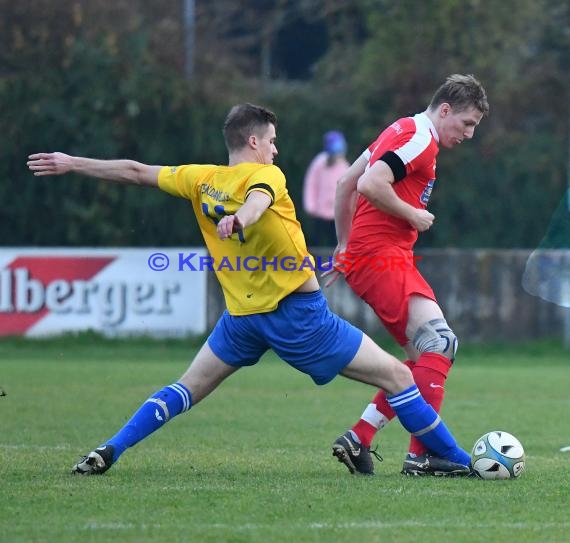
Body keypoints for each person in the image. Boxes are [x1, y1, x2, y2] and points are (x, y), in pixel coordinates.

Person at [27, 103, 473, 477]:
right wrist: (242, 217)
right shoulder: (270, 176)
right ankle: (451, 458)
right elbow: (259, 199)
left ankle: (110, 449)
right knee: (398, 376)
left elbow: (136, 171)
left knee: (185, 389)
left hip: (241, 320)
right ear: (254, 142)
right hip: (300, 318)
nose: (276, 149)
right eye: (273, 140)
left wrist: (72, 163)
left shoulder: (200, 178)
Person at [325, 74, 489, 476]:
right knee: (440, 342)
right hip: (383, 254)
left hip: (376, 254)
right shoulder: (420, 137)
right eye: (466, 123)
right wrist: (412, 213)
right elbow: (368, 183)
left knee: (424, 356)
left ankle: (360, 435)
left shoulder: (402, 127)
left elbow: (345, 183)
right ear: (445, 110)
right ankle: (425, 455)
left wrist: (345, 245)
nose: (468, 134)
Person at [303, 131, 349, 247]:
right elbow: (311, 184)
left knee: (335, 243)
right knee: (317, 242)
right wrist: (310, 205)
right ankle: (315, 264)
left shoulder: (344, 165)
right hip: (319, 212)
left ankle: (334, 264)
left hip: (336, 214)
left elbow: (347, 189)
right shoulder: (319, 163)